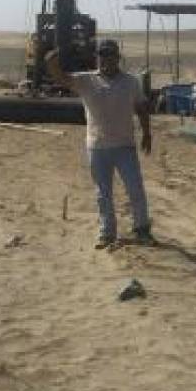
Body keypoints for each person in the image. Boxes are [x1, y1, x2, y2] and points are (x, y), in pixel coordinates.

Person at [45, 39, 153, 248]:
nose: (106, 59)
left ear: (117, 57)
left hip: (125, 146)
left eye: (110, 54)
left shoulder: (131, 82)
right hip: (97, 147)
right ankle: (107, 232)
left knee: (135, 188)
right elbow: (61, 78)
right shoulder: (87, 80)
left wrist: (147, 133)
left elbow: (141, 107)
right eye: (102, 55)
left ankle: (142, 229)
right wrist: (51, 62)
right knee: (103, 193)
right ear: (98, 57)